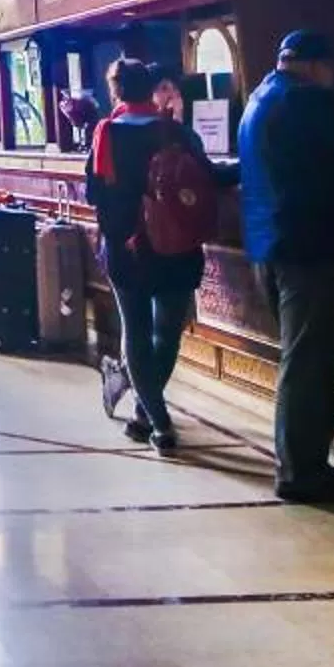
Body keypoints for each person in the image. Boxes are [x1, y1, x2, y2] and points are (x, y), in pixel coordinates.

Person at [236, 29, 334, 506]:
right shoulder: (309, 99)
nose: (333, 78)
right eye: (331, 69)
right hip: (308, 250)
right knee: (309, 362)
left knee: (302, 357)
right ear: (314, 65)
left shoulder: (259, 97)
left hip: (271, 246)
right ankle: (302, 472)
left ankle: (305, 464)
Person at [87, 58, 235, 453]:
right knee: (166, 333)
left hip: (126, 249)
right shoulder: (177, 133)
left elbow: (93, 193)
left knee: (135, 331)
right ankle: (144, 413)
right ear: (152, 88)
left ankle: (158, 422)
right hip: (178, 248)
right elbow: (212, 176)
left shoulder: (106, 134)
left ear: (115, 91)